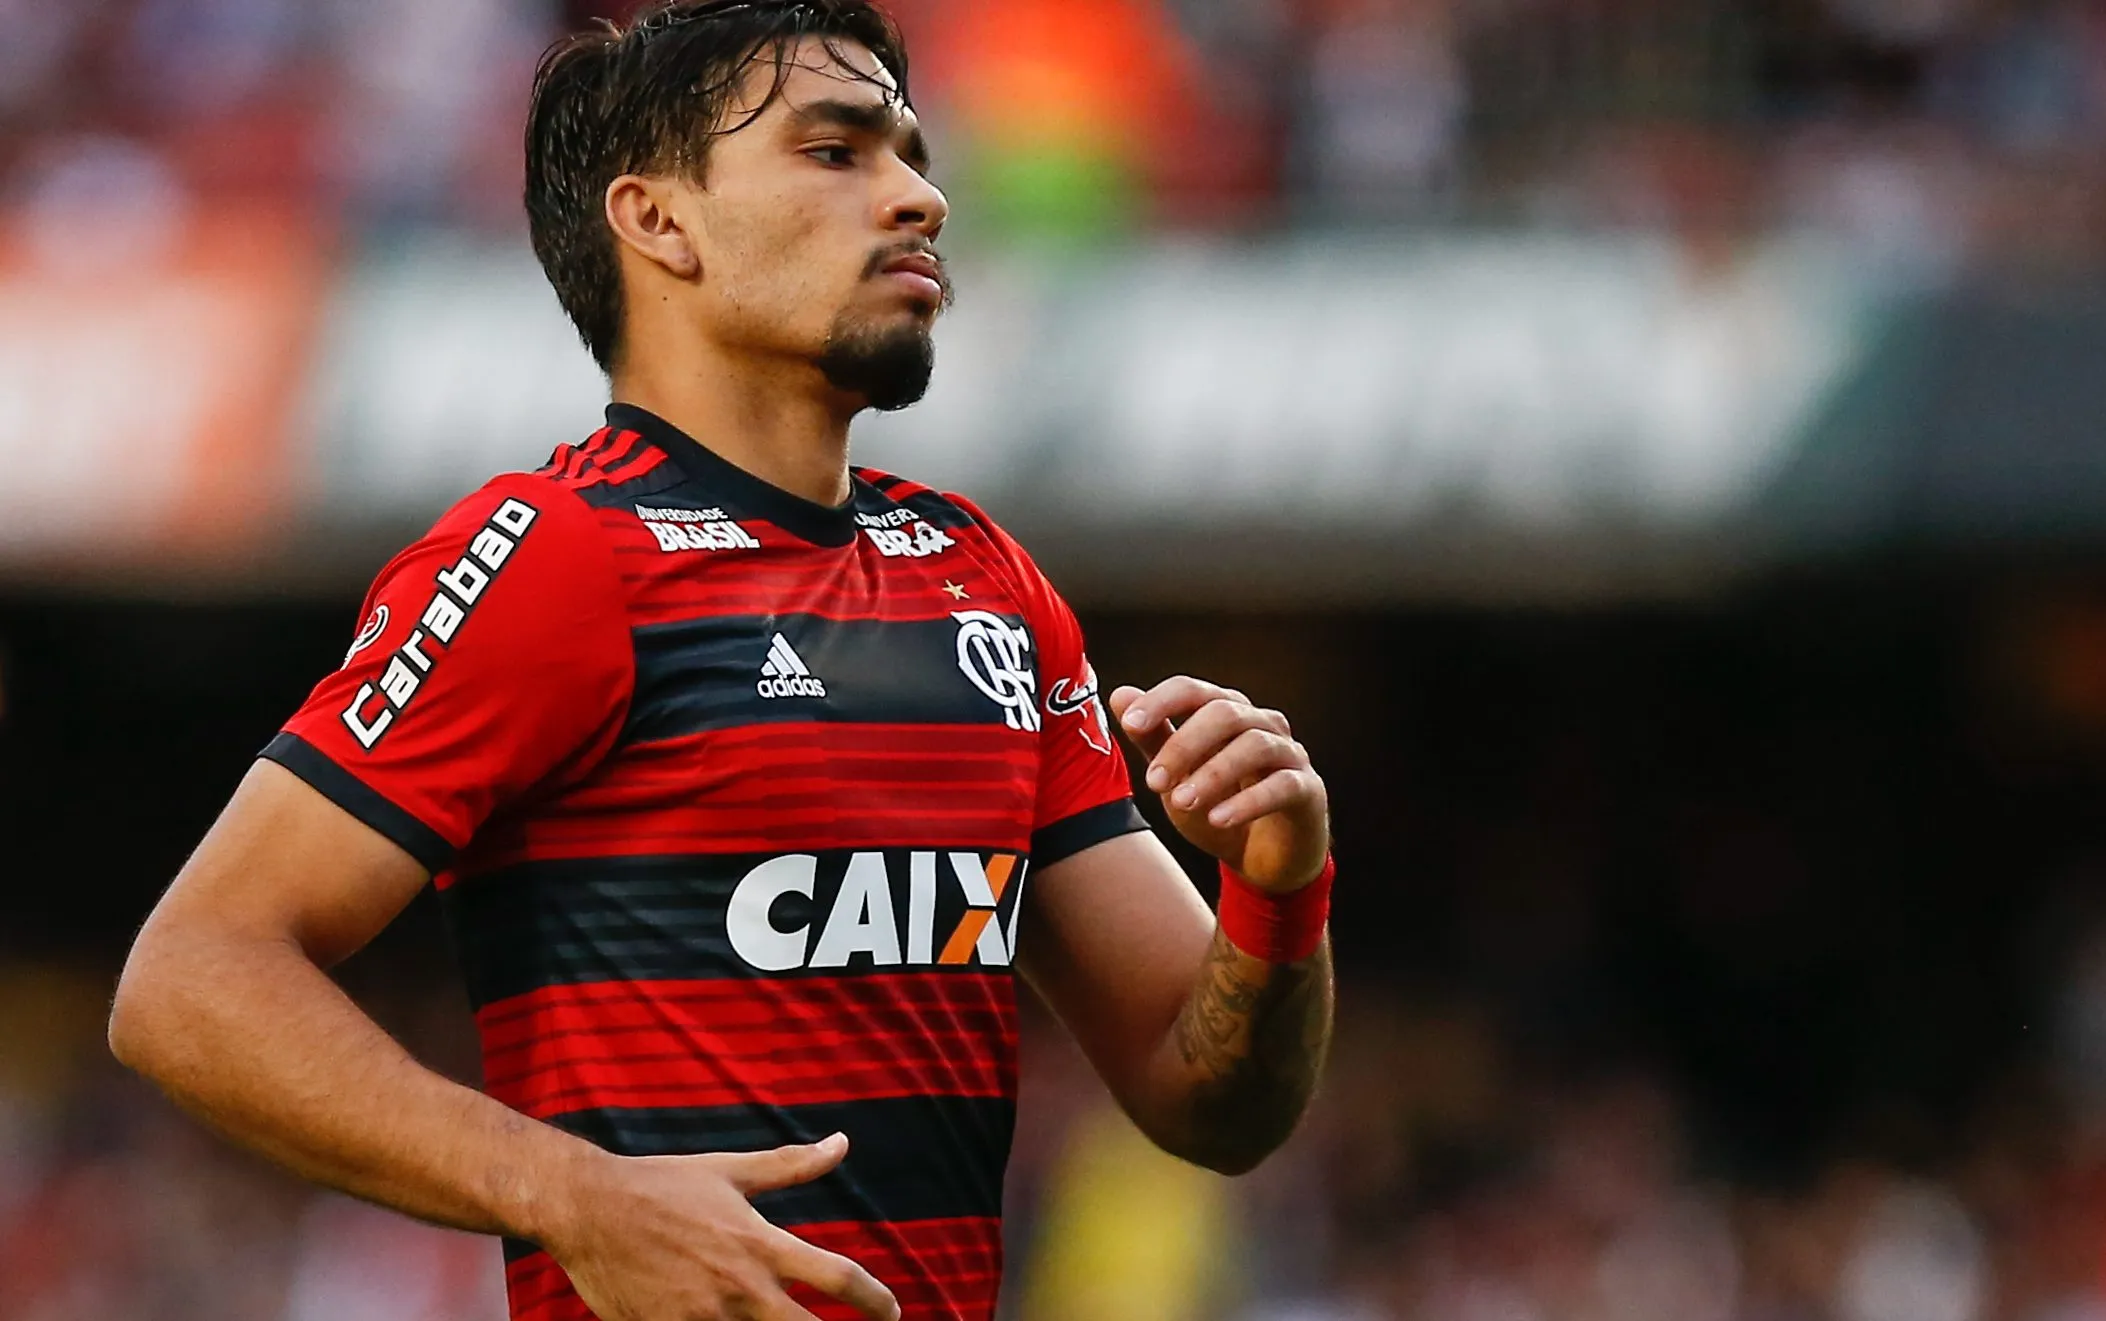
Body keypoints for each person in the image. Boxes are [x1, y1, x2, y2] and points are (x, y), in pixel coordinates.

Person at [106, 4, 1338, 1320]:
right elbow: (190, 983)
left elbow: (1212, 1103)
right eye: (835, 151)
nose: (919, 195)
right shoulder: (556, 559)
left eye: (911, 153)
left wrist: (1280, 885)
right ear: (659, 222)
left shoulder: (987, 584)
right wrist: (569, 1194)